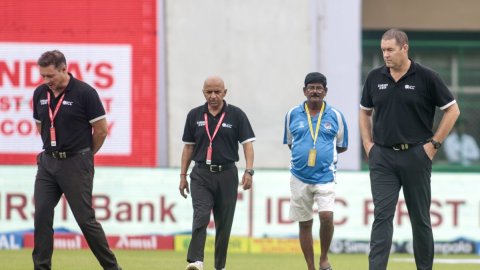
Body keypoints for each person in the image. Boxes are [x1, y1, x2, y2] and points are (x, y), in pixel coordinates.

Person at [359, 28, 460, 270]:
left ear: (405, 48)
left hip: (417, 155)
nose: (385, 55)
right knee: (382, 217)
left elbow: (452, 110)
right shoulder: (374, 77)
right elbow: (364, 111)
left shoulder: (427, 77)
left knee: (420, 220)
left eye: (390, 50)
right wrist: (368, 145)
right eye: (383, 50)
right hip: (382, 156)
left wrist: (433, 145)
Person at [32, 50, 122, 270]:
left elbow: (100, 131)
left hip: (76, 163)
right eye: (43, 76)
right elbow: (41, 125)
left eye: (50, 76)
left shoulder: (85, 93)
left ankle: (113, 268)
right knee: (42, 215)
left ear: (64, 69)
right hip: (48, 163)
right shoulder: (39, 94)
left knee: (85, 220)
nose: (46, 81)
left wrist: (85, 156)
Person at [179, 75, 255, 270]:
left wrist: (249, 170)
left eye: (217, 92)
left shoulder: (237, 115)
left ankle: (219, 266)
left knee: (224, 224)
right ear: (203, 92)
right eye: (208, 92)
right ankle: (196, 261)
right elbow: (188, 148)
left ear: (225, 93)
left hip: (227, 174)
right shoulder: (194, 115)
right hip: (201, 174)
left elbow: (247, 145)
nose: (213, 96)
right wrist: (182, 176)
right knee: (201, 215)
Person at [283, 72, 348, 270]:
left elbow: (342, 145)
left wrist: (323, 155)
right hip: (299, 176)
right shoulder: (292, 114)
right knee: (304, 223)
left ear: (325, 91)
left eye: (319, 88)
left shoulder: (335, 115)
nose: (315, 91)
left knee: (326, 216)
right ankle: (311, 266)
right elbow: (291, 143)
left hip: (325, 176)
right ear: (304, 91)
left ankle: (324, 258)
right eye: (311, 87)